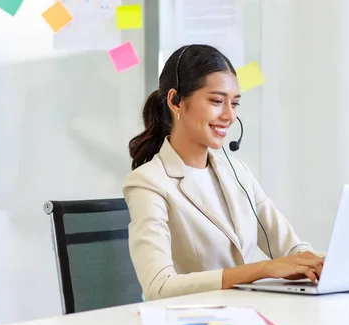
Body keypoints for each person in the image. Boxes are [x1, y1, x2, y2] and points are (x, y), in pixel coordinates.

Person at [124, 44, 323, 301]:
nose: (229, 116)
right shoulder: (148, 183)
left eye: (235, 103)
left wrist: (322, 264)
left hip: (244, 316)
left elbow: (290, 247)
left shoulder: (236, 171)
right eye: (217, 101)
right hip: (191, 322)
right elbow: (159, 286)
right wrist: (260, 270)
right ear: (176, 101)